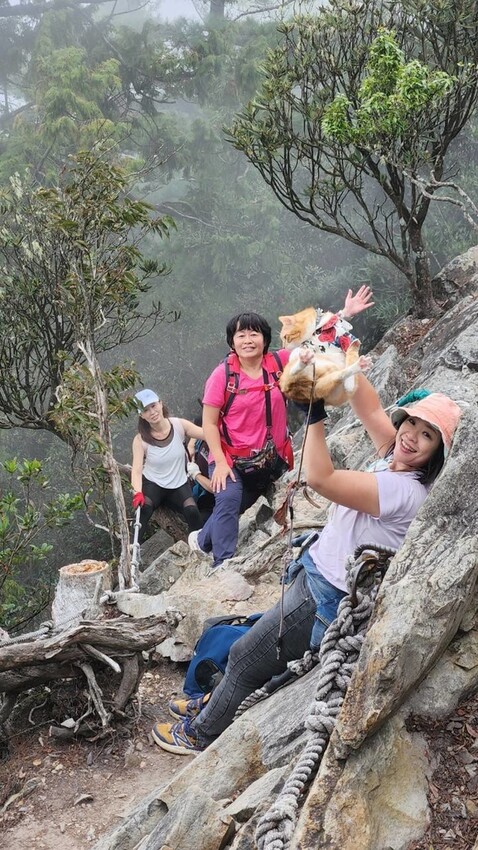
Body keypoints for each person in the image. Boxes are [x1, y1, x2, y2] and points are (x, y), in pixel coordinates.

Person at [151, 380, 462, 754]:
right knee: (253, 652)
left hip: (323, 596)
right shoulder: (393, 459)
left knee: (245, 656)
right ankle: (213, 704)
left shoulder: (405, 491)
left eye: (426, 435)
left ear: (435, 454)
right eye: (410, 423)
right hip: (317, 576)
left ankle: (199, 734)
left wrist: (314, 416)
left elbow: (321, 478)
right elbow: (370, 409)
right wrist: (342, 366)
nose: (411, 436)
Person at [188, 286, 375, 568]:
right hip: (230, 457)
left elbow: (312, 340)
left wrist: (344, 314)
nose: (248, 340)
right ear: (232, 342)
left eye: (254, 334)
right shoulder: (222, 376)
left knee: (234, 507)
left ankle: (202, 540)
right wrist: (221, 463)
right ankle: (223, 565)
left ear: (265, 339)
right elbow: (210, 423)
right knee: (228, 499)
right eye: (241, 335)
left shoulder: (279, 361)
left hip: (268, 458)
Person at [131, 389, 204, 543]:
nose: (152, 412)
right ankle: (131, 551)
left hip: (179, 483)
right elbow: (137, 471)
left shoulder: (178, 425)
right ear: (141, 415)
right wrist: (138, 492)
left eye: (153, 405)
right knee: (144, 510)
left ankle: (201, 547)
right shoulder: (140, 440)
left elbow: (207, 434)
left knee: (192, 510)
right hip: (154, 483)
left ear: (161, 403)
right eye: (145, 410)